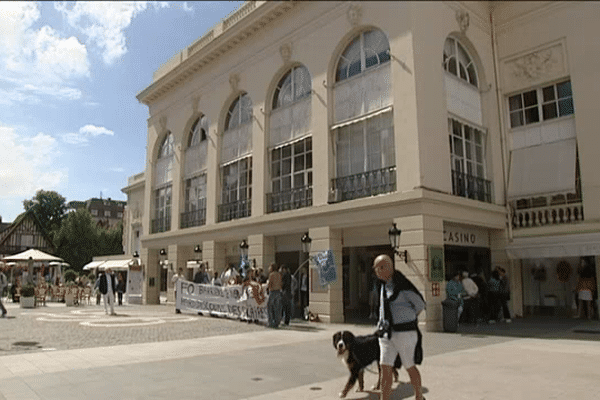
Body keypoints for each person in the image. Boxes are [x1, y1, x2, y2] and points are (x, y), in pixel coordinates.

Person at [373, 254, 425, 400]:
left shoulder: (403, 286)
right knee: (385, 368)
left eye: (382, 267)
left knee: (409, 366)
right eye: (376, 268)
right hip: (386, 334)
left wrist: (406, 317)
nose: (378, 270)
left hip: (405, 333)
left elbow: (420, 305)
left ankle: (419, 396)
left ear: (390, 267)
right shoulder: (382, 286)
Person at [266, 263, 283, 328]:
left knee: (270, 307)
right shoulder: (279, 274)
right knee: (277, 308)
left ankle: (270, 322)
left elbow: (270, 283)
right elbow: (281, 283)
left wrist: (268, 289)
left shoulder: (271, 275)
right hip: (278, 291)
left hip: (272, 291)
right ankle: (277, 322)